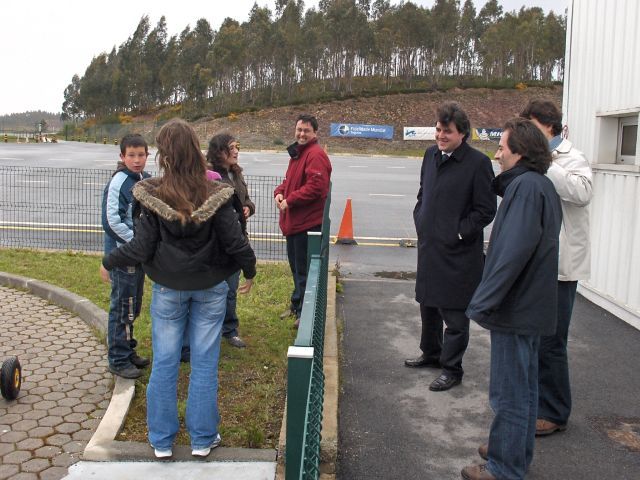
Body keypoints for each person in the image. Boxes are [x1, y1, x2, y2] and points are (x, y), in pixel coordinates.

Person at [101, 119, 256, 459]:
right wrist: (249, 270)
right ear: (195, 150)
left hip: (168, 288)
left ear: (165, 155)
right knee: (204, 364)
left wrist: (109, 261)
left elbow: (141, 247)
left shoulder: (152, 194)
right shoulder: (217, 193)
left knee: (165, 362)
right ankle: (203, 439)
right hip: (210, 287)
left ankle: (161, 440)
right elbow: (236, 241)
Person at [462, 118, 563, 480]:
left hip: (517, 308)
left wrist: (482, 302)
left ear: (519, 152)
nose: (497, 153)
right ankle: (511, 450)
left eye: (502, 147)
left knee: (510, 393)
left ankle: (504, 467)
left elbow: (511, 253)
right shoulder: (538, 185)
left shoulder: (525, 189)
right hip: (529, 308)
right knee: (524, 389)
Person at [406, 102, 496, 392]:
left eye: (447, 131)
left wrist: (458, 233)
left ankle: (452, 369)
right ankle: (431, 353)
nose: (440, 136)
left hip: (459, 254)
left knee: (455, 316)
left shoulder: (478, 164)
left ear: (462, 134)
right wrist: (421, 219)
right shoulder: (430, 155)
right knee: (428, 305)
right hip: (430, 248)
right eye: (438, 129)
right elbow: (423, 193)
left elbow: (485, 210)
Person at [521, 100, 593, 436]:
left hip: (560, 266)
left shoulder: (572, 158)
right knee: (533, 338)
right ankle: (535, 403)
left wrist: (546, 163)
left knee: (552, 341)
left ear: (549, 126)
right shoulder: (532, 159)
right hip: (536, 261)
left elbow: (582, 193)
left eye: (532, 126)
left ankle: (554, 412)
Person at [100, 133, 151, 380]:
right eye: (131, 155)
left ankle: (128, 350)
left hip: (137, 256)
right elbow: (112, 222)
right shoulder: (119, 182)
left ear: (147, 155)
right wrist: (137, 243)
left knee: (133, 305)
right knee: (122, 306)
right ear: (122, 156)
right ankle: (118, 359)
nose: (137, 160)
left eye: (141, 155)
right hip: (124, 257)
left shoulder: (144, 179)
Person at [274, 114, 332, 327]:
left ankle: (305, 314)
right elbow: (289, 181)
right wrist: (279, 192)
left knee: (304, 271)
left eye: (306, 130)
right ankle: (297, 304)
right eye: (299, 129)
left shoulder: (315, 155)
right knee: (297, 268)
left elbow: (317, 187)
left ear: (315, 133)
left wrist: (290, 200)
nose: (301, 134)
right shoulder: (299, 153)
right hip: (295, 223)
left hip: (306, 224)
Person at [207, 132, 256, 348]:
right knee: (214, 290)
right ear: (219, 152)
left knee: (231, 289)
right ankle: (210, 329)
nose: (236, 151)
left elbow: (246, 200)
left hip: (237, 238)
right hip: (217, 243)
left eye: (237, 147)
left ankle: (229, 329)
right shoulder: (210, 175)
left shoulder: (237, 173)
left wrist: (248, 208)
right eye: (231, 147)